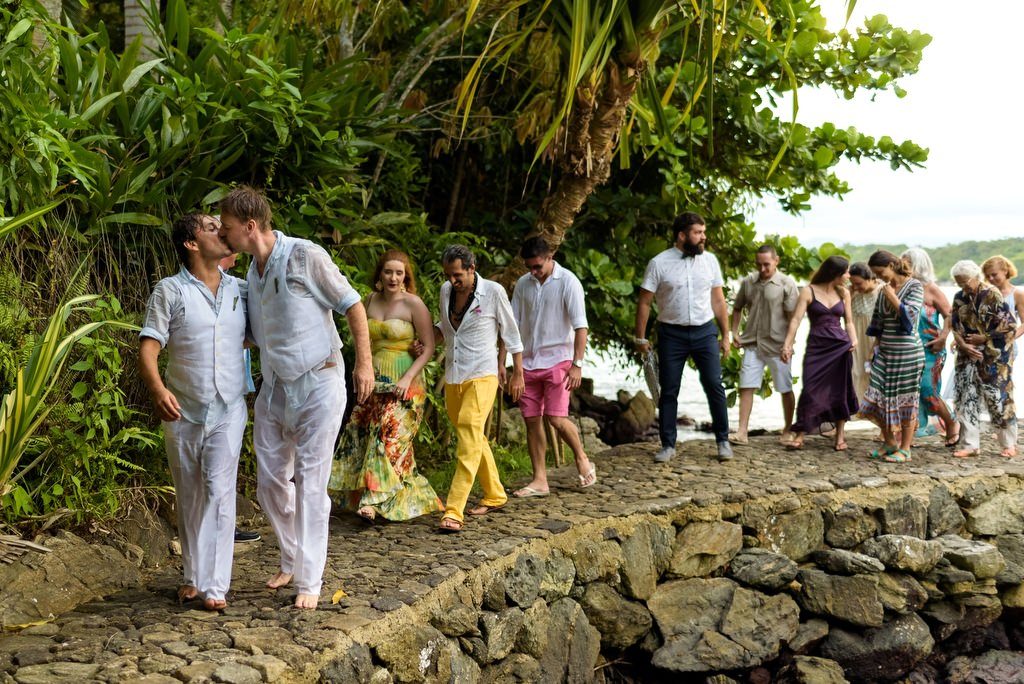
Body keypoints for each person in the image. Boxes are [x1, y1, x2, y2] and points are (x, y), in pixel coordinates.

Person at [218, 186, 374, 610]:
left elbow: (353, 305)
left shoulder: (306, 255)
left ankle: (310, 578)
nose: (224, 235)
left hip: (321, 381)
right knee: (270, 481)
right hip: (276, 386)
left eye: (228, 228)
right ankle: (292, 552)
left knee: (309, 482)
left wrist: (364, 363)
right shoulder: (252, 270)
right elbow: (253, 332)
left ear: (250, 226)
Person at [139, 213, 247, 611]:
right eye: (211, 226)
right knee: (191, 494)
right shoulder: (170, 291)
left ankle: (215, 586)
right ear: (191, 243)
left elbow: (260, 332)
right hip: (182, 409)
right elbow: (149, 348)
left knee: (220, 491)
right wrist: (158, 390)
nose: (222, 230)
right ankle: (192, 577)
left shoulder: (240, 290)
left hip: (229, 407)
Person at [328, 250, 442, 522]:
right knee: (365, 435)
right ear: (380, 274)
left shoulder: (414, 304)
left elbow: (428, 348)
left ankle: (373, 500)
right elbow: (359, 341)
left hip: (406, 379)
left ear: (406, 277)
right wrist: (360, 368)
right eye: (388, 272)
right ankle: (401, 497)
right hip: (374, 378)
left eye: (399, 273)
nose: (393, 277)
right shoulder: (368, 301)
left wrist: (407, 378)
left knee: (388, 438)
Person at [435, 244, 524, 533]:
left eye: (458, 274)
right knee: (472, 435)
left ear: (472, 268)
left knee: (469, 429)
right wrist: (426, 340)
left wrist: (517, 373)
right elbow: (446, 328)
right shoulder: (445, 291)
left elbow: (512, 335)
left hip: (483, 374)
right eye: (448, 275)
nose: (452, 281)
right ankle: (495, 493)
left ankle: (454, 509)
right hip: (454, 374)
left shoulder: (494, 292)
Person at [635, 212, 733, 463]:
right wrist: (641, 338)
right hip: (671, 334)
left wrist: (726, 335)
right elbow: (645, 302)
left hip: (704, 331)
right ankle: (668, 445)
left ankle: (723, 441)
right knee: (669, 390)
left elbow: (719, 300)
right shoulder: (659, 263)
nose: (703, 237)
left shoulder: (710, 261)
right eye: (698, 233)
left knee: (714, 385)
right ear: (682, 235)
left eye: (703, 232)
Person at [507, 236, 596, 498]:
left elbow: (581, 327)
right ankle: (539, 480)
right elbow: (513, 327)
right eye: (529, 267)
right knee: (531, 421)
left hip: (559, 360)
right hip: (528, 363)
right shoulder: (523, 284)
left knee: (556, 418)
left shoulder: (568, 282)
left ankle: (581, 457)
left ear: (550, 257)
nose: (533, 272)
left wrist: (577, 365)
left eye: (538, 266)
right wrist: (513, 368)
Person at [780, 256, 859, 451]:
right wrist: (787, 345)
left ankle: (840, 437)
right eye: (846, 272)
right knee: (810, 389)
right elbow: (796, 320)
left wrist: (854, 339)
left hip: (840, 346)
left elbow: (848, 321)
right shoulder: (808, 291)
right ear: (835, 273)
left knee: (840, 390)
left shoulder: (844, 293)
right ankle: (800, 434)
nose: (849, 276)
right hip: (817, 346)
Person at [858, 250, 925, 463]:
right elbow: (877, 323)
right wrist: (873, 348)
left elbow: (910, 318)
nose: (879, 278)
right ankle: (889, 442)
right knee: (876, 397)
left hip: (908, 354)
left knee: (906, 400)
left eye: (880, 272)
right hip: (885, 352)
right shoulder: (882, 290)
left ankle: (905, 448)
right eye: (875, 274)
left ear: (892, 265)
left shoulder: (914, 286)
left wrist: (892, 297)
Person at [729, 244, 799, 446]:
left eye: (766, 264)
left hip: (778, 346)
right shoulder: (749, 282)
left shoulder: (787, 284)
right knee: (746, 386)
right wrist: (734, 332)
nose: (762, 269)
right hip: (751, 343)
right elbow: (737, 308)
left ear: (776, 261)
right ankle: (742, 432)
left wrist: (788, 345)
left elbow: (793, 318)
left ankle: (787, 430)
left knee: (785, 388)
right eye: (758, 264)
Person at [949, 260, 1018, 458]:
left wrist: (985, 337)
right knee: (966, 398)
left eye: (964, 282)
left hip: (993, 355)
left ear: (975, 277)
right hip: (967, 354)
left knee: (998, 399)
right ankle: (970, 444)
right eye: (958, 283)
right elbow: (955, 325)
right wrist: (962, 344)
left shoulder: (992, 294)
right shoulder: (959, 297)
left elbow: (1009, 325)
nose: (962, 286)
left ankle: (1008, 443)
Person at [218, 252, 262, 546]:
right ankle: (219, 528)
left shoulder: (238, 285)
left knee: (228, 458)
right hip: (209, 381)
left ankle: (227, 526)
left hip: (235, 380)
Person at [902, 248, 958, 444]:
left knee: (927, 389)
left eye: (907, 263)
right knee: (910, 389)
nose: (903, 267)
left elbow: (950, 315)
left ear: (918, 265)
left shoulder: (931, 288)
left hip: (931, 347)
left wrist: (944, 336)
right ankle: (912, 429)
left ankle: (951, 423)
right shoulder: (905, 287)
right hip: (908, 347)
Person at [848, 263, 880, 405]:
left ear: (870, 278)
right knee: (855, 372)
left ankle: (875, 408)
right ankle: (856, 407)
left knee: (873, 374)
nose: (855, 286)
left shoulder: (881, 290)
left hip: (874, 338)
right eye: (853, 283)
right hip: (856, 338)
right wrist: (849, 294)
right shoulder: (852, 293)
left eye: (858, 283)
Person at [981, 255, 1024, 346]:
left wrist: (1012, 337)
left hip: (1006, 347)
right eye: (987, 276)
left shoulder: (1017, 294)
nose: (991, 278)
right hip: (985, 344)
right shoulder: (984, 293)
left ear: (1005, 271)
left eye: (994, 274)